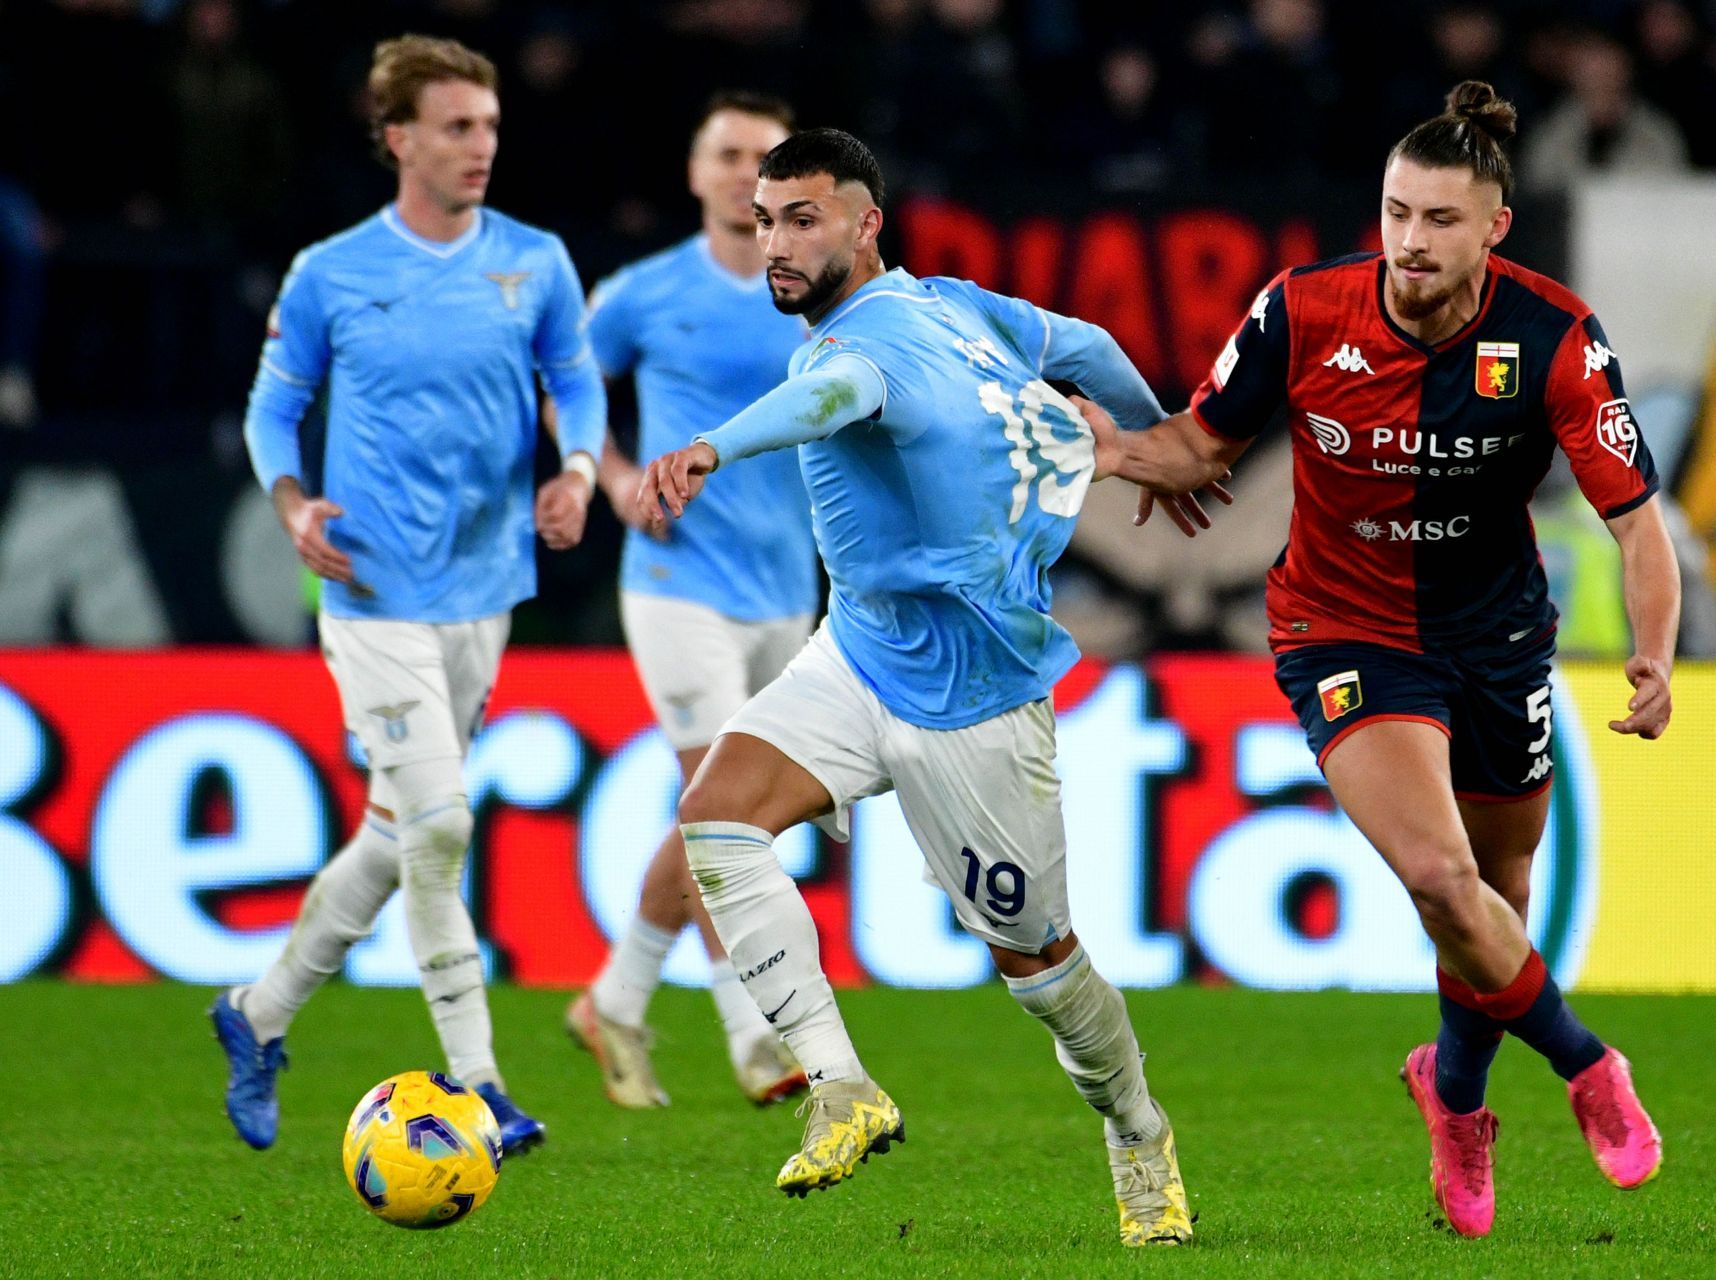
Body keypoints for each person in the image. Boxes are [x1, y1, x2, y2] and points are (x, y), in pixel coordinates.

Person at [1084, 82, 1676, 1238]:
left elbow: (1638, 525)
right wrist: (1112, 453)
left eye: (1440, 220)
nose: (1410, 239)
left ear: (1494, 228)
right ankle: (1589, 1065)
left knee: (1495, 901)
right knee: (1443, 881)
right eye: (1398, 212)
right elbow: (1204, 440)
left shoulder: (1553, 333)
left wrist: (1653, 656)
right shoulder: (1307, 309)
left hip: (1498, 638)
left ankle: (1452, 1095)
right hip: (1345, 631)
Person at [633, 128, 1199, 1247]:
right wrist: (1158, 435)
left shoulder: (853, 350)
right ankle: (839, 1083)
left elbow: (834, 396)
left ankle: (1138, 1131)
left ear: (864, 221)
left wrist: (710, 447)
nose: (777, 246)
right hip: (857, 652)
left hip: (973, 697)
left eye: (803, 219)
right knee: (715, 818)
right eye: (764, 222)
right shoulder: (964, 305)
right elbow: (1080, 343)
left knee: (1038, 965)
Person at [213, 34, 606, 1158]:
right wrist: (291, 504)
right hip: (372, 588)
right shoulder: (330, 271)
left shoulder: (535, 261)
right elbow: (271, 410)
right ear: (398, 138)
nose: (480, 146)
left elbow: (574, 382)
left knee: (395, 833)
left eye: (487, 127)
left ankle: (257, 1012)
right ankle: (478, 1083)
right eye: (455, 127)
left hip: (489, 588)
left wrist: (578, 471)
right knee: (440, 824)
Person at [566, 91, 813, 1110]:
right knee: (719, 805)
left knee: (736, 813)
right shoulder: (646, 291)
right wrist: (613, 473)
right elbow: (565, 377)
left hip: (787, 584)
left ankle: (613, 997)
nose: (740, 169)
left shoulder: (820, 291)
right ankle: (752, 1031)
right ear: (697, 171)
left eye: (762, 155)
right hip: (677, 583)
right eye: (726, 151)